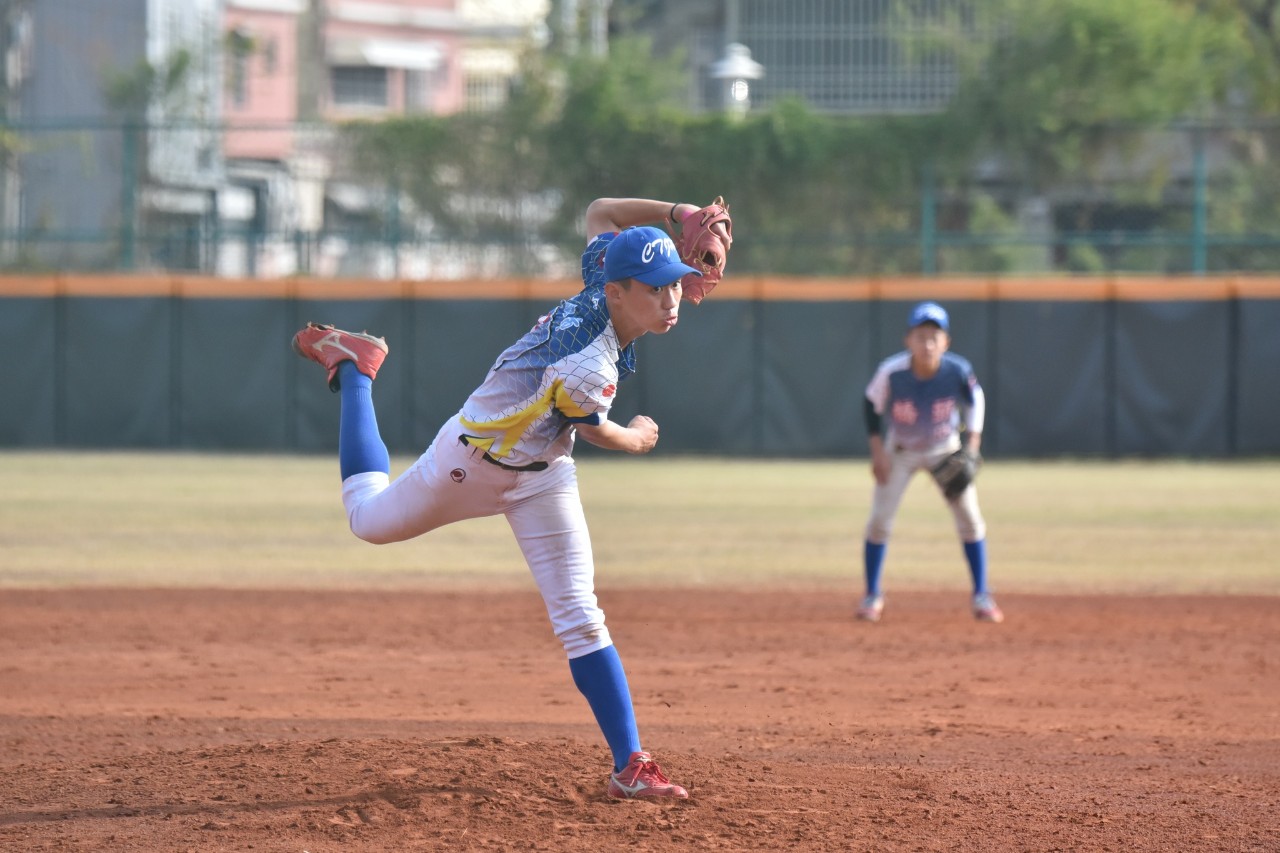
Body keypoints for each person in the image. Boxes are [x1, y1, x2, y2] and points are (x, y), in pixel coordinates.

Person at [291, 197, 705, 799]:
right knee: (366, 520)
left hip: (544, 475)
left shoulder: (604, 275)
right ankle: (357, 369)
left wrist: (676, 212)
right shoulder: (587, 362)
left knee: (580, 616)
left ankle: (631, 767)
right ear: (616, 293)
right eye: (655, 288)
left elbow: (598, 212)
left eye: (675, 284)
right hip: (469, 464)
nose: (671, 299)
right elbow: (596, 430)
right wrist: (638, 438)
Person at [856, 301, 1004, 624]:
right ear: (908, 340)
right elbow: (871, 404)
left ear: (945, 342)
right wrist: (877, 451)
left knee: (970, 520)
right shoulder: (892, 371)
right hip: (901, 450)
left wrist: (972, 445)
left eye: (934, 337)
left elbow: (976, 400)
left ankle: (982, 594)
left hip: (944, 449)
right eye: (920, 336)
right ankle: (872, 594)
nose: (927, 344)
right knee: (879, 522)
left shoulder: (957, 370)